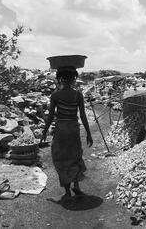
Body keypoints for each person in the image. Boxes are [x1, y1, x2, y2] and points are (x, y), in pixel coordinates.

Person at [42, 67, 93, 201]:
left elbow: (51, 116)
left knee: (61, 159)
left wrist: (44, 132)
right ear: (73, 80)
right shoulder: (78, 95)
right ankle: (76, 186)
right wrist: (88, 133)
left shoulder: (55, 95)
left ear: (60, 79)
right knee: (75, 156)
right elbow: (82, 115)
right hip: (73, 130)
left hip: (61, 131)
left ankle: (67, 191)